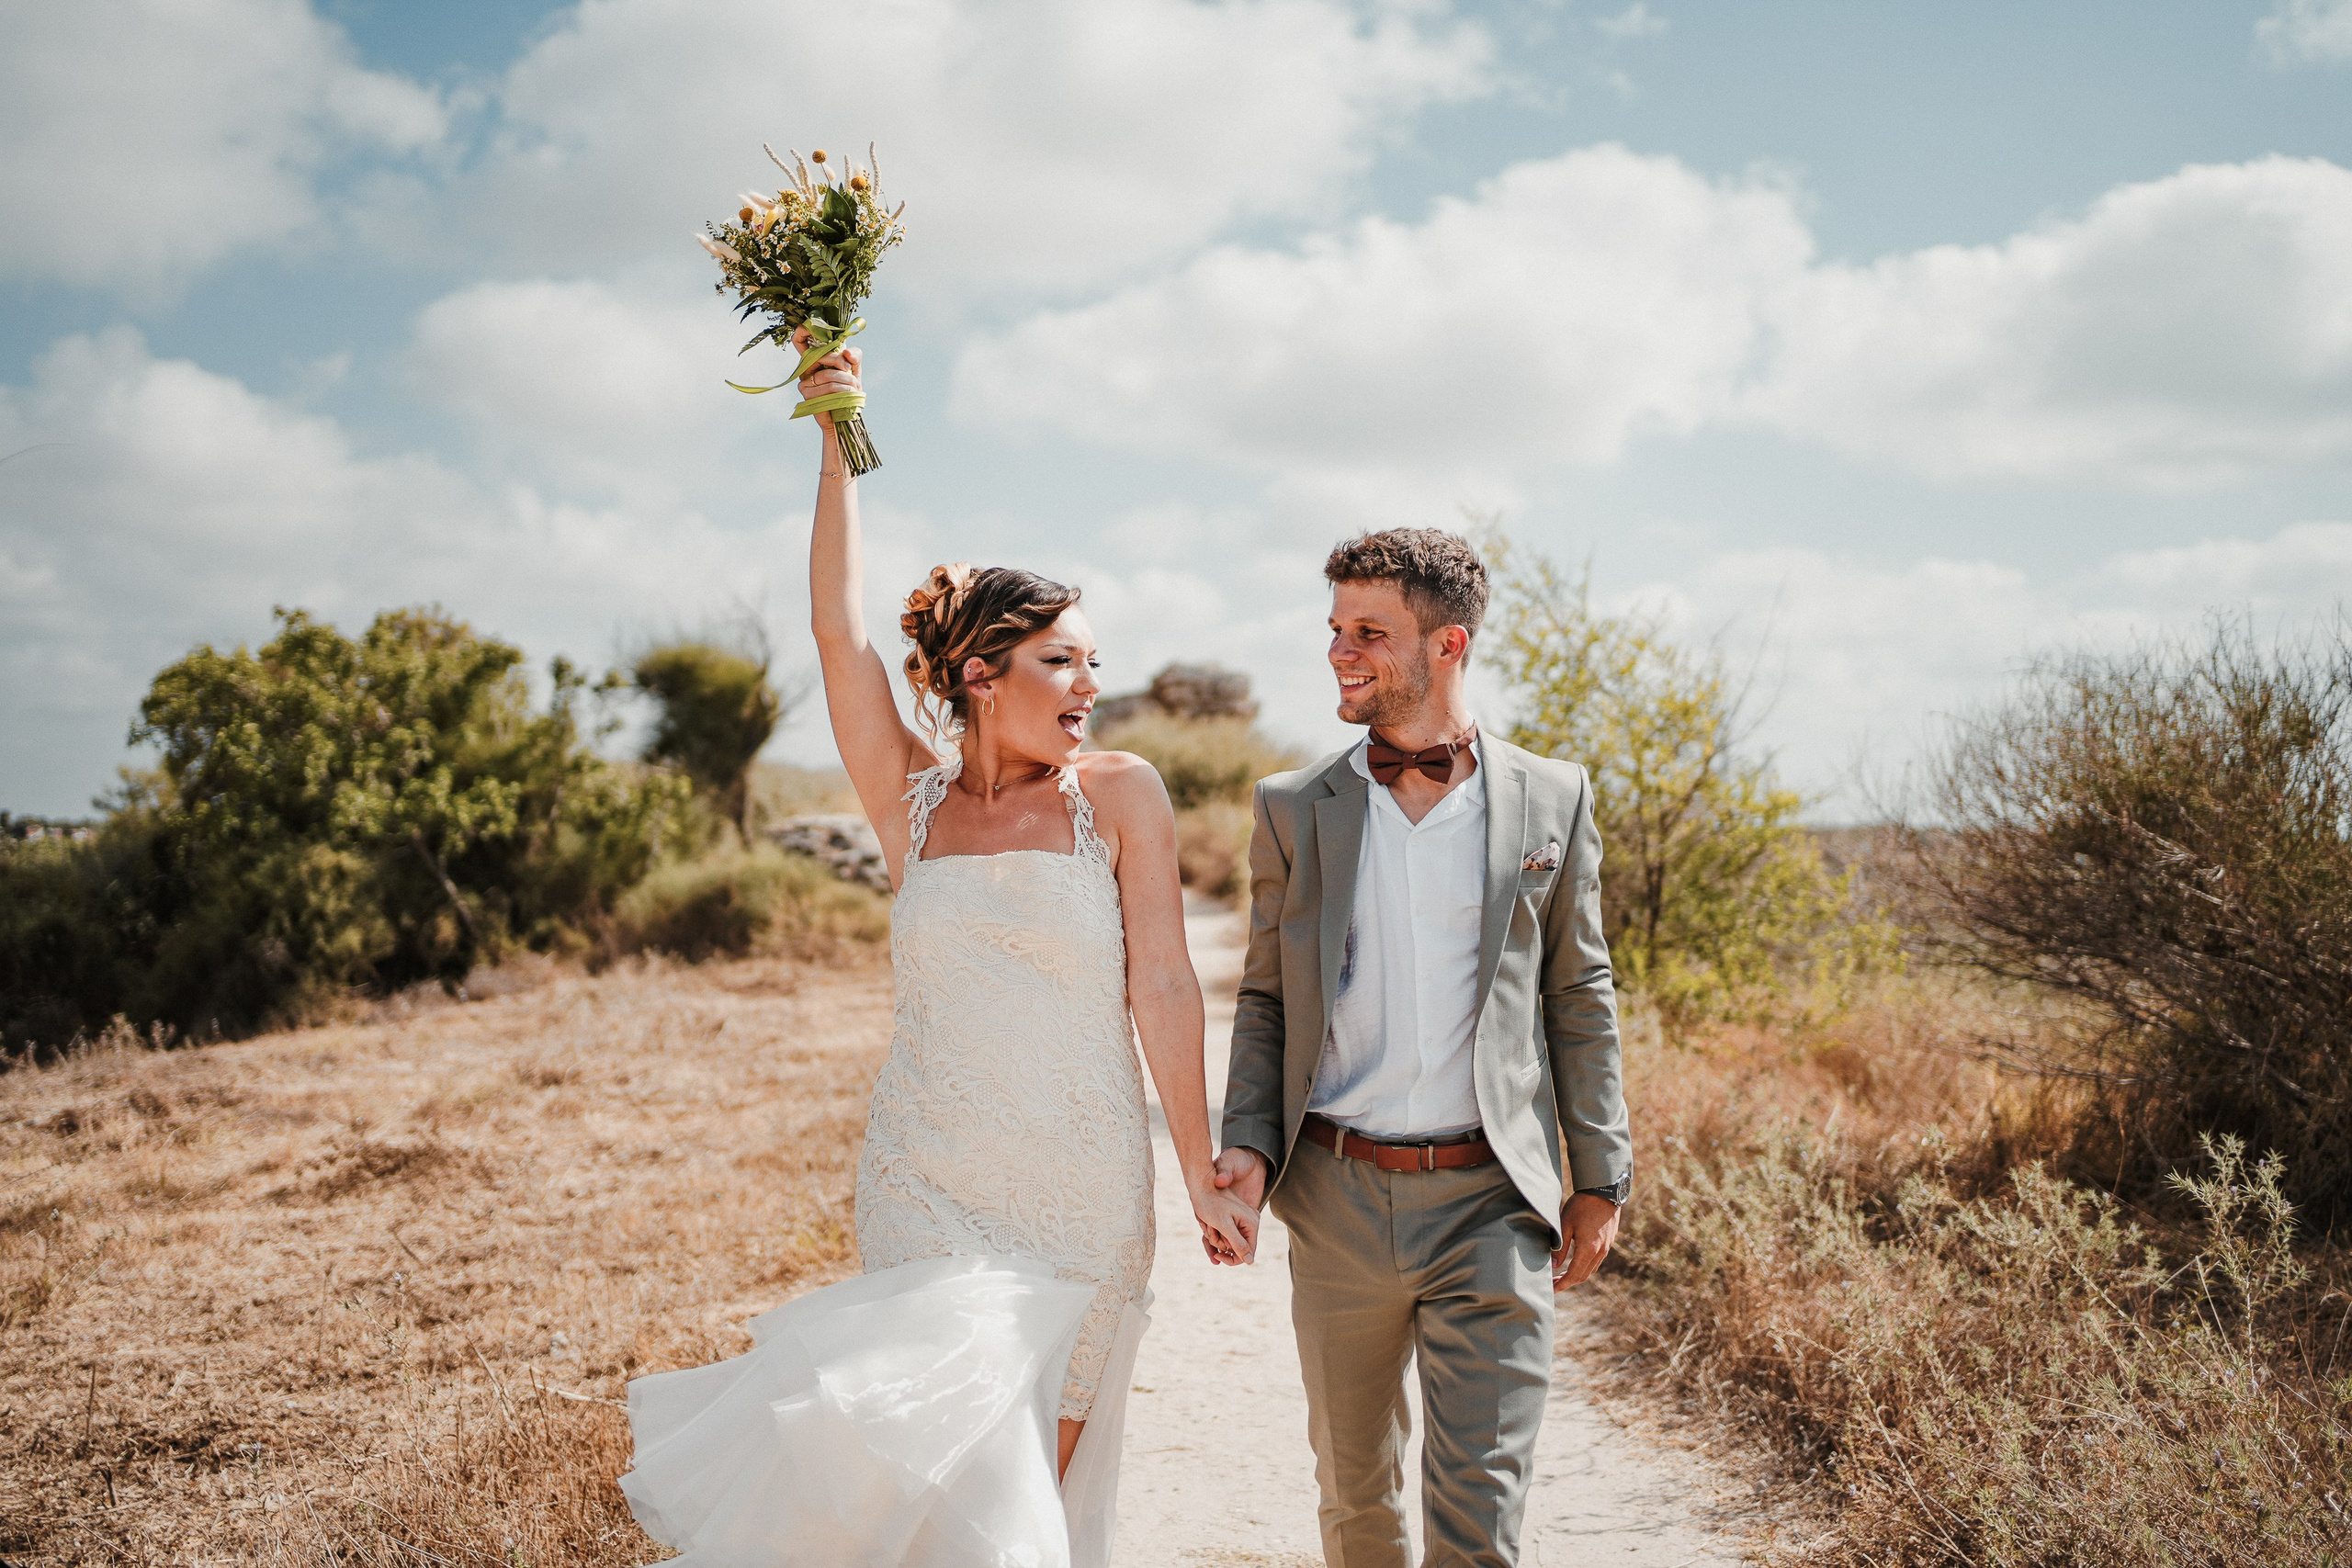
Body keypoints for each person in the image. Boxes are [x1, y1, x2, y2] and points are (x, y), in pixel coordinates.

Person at [618, 333, 1259, 1567]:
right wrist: (835, 433)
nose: (1087, 685)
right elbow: (833, 624)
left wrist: (1196, 1169)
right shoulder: (910, 803)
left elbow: (1165, 982)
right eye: (1060, 659)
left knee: (1023, 1514)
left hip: (1081, 1191)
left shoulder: (1119, 793)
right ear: (978, 673)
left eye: (1094, 661)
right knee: (928, 1502)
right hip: (926, 1179)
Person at [1210, 528, 1631, 1568]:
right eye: (1335, 630)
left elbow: (1578, 989)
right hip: (1338, 1196)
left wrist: (1600, 1174)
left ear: (1448, 645)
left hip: (1492, 1200)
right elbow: (1265, 999)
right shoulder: (1291, 807)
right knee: (1356, 1504)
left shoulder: (1551, 798)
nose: (1340, 653)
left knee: (1478, 1514)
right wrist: (1249, 1152)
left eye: (1369, 632)